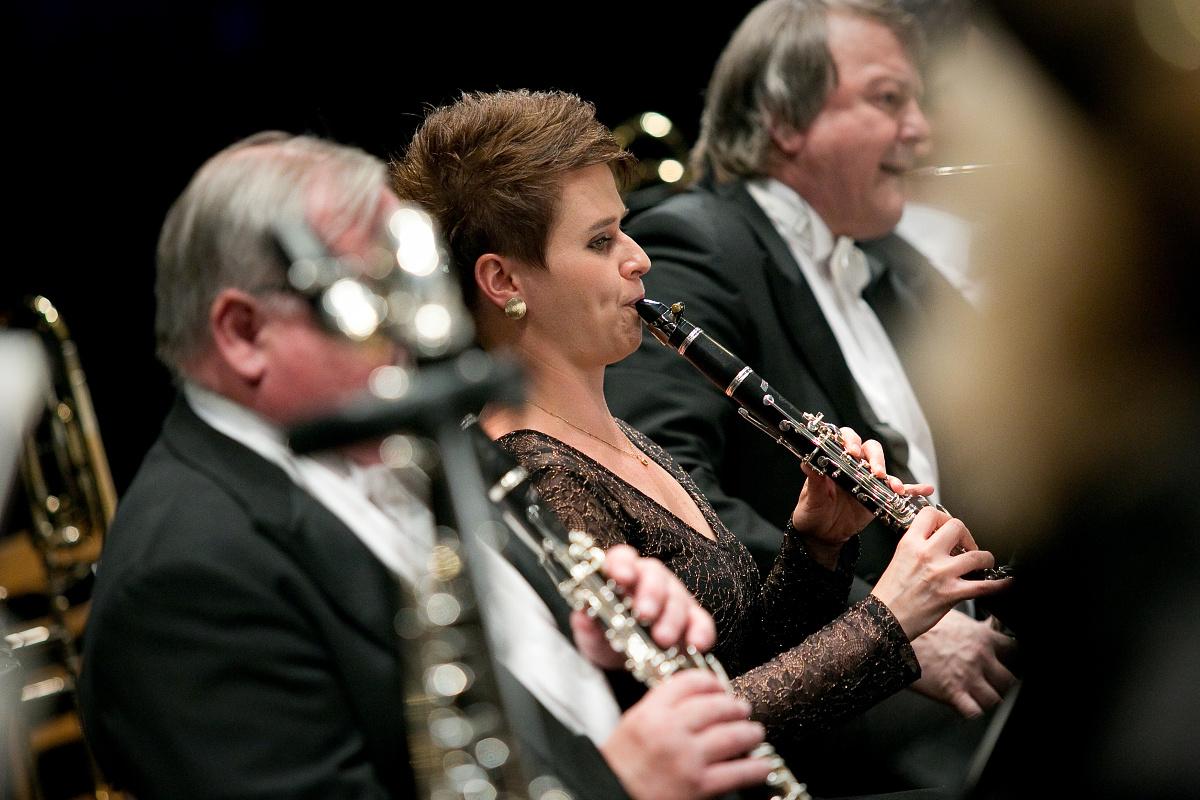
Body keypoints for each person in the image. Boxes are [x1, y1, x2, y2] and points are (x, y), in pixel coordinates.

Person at [77, 131, 778, 800]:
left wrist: (595, 639)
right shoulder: (182, 583)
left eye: (413, 286)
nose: (417, 330)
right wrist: (616, 786)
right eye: (374, 293)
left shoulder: (401, 433)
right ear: (243, 333)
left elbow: (529, 691)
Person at [392, 88, 1007, 747]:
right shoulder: (537, 475)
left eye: (622, 228)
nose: (639, 258)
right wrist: (891, 616)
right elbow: (677, 738)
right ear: (504, 282)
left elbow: (745, 654)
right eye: (600, 242)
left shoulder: (615, 435)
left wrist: (819, 546)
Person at [601, 0, 1018, 792]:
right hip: (841, 695)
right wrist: (890, 625)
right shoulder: (698, 243)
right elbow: (670, 493)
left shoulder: (886, 261)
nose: (921, 131)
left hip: (947, 660)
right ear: (785, 120)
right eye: (889, 99)